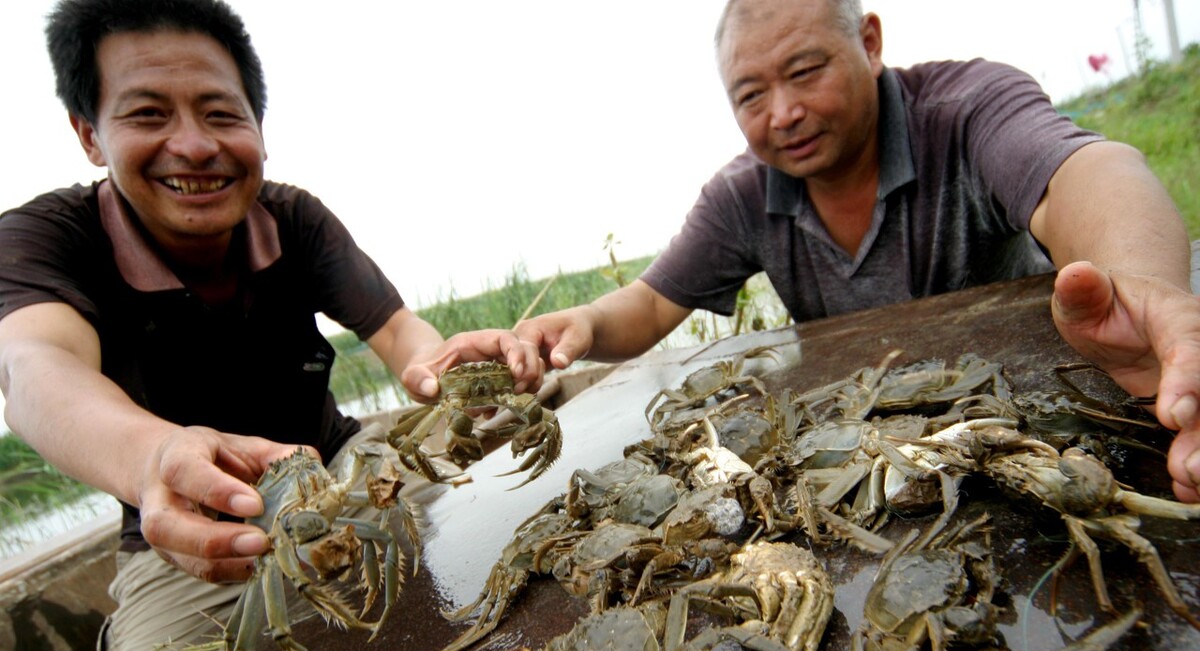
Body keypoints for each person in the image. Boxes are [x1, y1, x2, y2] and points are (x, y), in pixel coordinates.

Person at [442, 0, 1200, 503]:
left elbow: (1088, 173)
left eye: (805, 71)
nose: (784, 114)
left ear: (868, 42)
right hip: (869, 452)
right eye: (750, 95)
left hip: (1025, 422)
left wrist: (1137, 288)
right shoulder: (744, 194)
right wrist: (571, 327)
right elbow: (643, 305)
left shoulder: (966, 110)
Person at [0, 0, 537, 651]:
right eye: (148, 114)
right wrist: (156, 458)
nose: (194, 146)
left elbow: (400, 331)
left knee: (492, 542)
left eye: (221, 114)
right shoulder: (46, 239)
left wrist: (441, 371)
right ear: (90, 135)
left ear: (259, 126)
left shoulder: (293, 218)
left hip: (341, 477)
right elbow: (35, 368)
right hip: (190, 539)